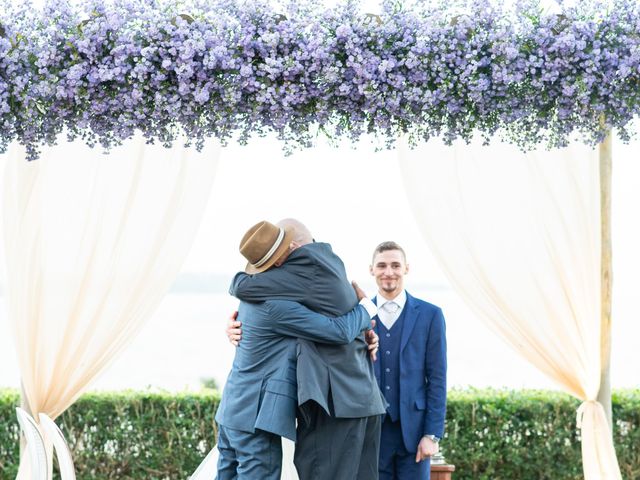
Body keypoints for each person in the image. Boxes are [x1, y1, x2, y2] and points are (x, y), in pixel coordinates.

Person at [215, 220, 378, 480]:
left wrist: (366, 335)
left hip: (231, 411)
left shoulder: (252, 300)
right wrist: (368, 309)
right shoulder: (280, 305)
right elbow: (338, 331)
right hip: (255, 418)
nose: (283, 265)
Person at [370, 241, 447, 480]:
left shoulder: (430, 315)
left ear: (406, 268)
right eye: (381, 266)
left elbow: (437, 378)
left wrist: (431, 435)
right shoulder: (359, 315)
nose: (388, 272)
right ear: (371, 270)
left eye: (395, 265)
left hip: (413, 436)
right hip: (372, 434)